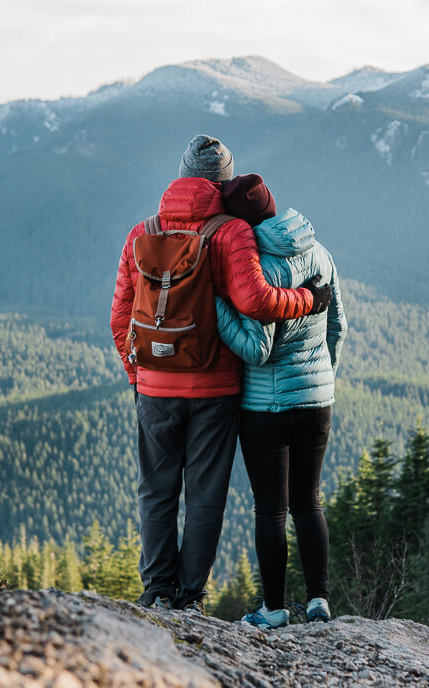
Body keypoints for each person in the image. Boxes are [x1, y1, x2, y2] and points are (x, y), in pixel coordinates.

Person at [110, 136, 333, 614]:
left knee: (156, 490)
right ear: (224, 181)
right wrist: (309, 301)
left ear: (181, 175)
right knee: (205, 496)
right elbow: (256, 302)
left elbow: (121, 315)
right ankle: (190, 596)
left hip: (153, 385)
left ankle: (157, 593)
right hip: (215, 387)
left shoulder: (140, 233)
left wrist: (138, 376)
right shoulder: (232, 232)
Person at [214, 174, 346, 628]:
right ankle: (319, 601)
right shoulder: (322, 253)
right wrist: (322, 380)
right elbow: (339, 325)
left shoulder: (261, 269)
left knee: (270, 508)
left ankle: (273, 610)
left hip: (266, 407)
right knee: (308, 502)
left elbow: (258, 350)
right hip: (317, 401)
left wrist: (221, 309)